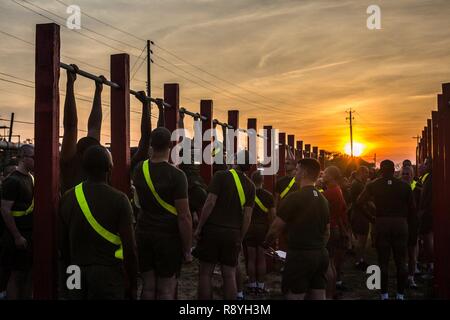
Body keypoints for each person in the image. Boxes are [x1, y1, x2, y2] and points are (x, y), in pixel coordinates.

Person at [59, 145, 137, 299]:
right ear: (109, 168)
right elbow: (130, 247)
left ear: (84, 167)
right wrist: (133, 283)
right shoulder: (119, 199)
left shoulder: (67, 197)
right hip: (107, 275)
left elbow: (62, 243)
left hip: (74, 271)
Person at [133, 127, 192, 300]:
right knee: (166, 289)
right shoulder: (177, 176)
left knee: (148, 286)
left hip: (143, 233)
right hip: (168, 237)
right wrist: (187, 249)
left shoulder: (139, 170)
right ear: (170, 146)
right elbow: (184, 216)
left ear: (151, 144)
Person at [264, 158, 330, 300]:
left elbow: (275, 228)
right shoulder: (323, 199)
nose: (295, 173)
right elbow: (327, 231)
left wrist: (266, 244)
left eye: (298, 170)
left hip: (300, 255)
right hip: (321, 254)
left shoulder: (294, 198)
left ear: (304, 173)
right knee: (318, 293)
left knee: (294, 294)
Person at [194, 150, 255, 300]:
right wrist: (240, 237)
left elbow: (210, 202)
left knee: (205, 273)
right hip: (233, 233)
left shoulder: (220, 176)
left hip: (212, 230)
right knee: (229, 275)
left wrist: (200, 227)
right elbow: (247, 216)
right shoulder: (250, 186)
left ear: (234, 160)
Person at [357, 160, 416, 300]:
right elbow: (413, 210)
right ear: (393, 170)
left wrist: (372, 218)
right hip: (400, 224)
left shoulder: (373, 185)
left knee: (382, 261)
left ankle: (384, 295)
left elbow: (359, 203)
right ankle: (400, 295)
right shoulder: (404, 186)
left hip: (382, 223)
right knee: (401, 261)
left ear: (381, 171)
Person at [60, 65, 106, 194]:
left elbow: (70, 127)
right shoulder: (98, 165)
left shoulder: (70, 161)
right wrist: (98, 92)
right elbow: (94, 127)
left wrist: (70, 84)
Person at [0, 145, 34, 299]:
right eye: (32, 157)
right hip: (17, 236)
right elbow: (5, 210)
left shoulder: (31, 178)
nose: (35, 160)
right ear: (22, 157)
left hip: (28, 234)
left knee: (27, 274)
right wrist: (17, 236)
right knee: (16, 275)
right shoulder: (12, 181)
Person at [244, 170, 275, 296]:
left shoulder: (247, 194)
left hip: (250, 228)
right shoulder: (268, 196)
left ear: (251, 180)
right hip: (263, 229)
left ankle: (252, 284)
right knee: (261, 258)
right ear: (262, 180)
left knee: (251, 258)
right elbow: (272, 216)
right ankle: (261, 286)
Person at [322, 166, 350, 298]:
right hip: (335, 229)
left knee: (327, 264)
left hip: (330, 229)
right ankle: (331, 292)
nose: (323, 174)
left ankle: (328, 294)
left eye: (326, 173)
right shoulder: (336, 190)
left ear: (332, 176)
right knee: (332, 263)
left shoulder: (330, 193)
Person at [400, 165, 421, 289]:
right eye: (403, 174)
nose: (405, 176)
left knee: (412, 253)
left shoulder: (417, 189)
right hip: (401, 223)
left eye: (408, 174)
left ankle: (411, 277)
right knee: (401, 253)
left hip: (412, 223)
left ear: (412, 175)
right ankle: (403, 275)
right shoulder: (397, 188)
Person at [350, 165, 371, 270]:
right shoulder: (357, 185)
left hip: (359, 214)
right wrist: (370, 216)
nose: (368, 175)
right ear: (361, 172)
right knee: (361, 240)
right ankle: (359, 261)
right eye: (366, 172)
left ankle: (360, 259)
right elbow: (360, 203)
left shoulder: (358, 184)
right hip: (359, 215)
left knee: (362, 240)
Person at [418, 158, 433, 279]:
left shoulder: (430, 178)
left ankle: (431, 266)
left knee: (428, 240)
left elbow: (425, 196)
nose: (423, 166)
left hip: (428, 214)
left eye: (426, 163)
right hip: (426, 213)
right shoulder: (425, 178)